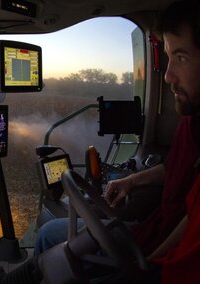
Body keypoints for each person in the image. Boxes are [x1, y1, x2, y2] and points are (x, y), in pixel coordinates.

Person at [34, 0, 200, 258]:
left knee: (47, 235)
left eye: (181, 57)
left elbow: (190, 228)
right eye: (168, 58)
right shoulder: (192, 120)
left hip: (152, 249)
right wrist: (131, 180)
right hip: (152, 231)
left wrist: (147, 263)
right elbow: (175, 167)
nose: (167, 76)